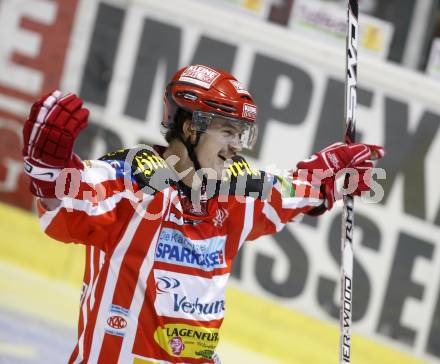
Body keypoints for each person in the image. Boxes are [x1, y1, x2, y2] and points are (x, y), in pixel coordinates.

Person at [22, 64, 384, 364]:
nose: (236, 146)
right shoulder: (132, 182)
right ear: (188, 126)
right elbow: (65, 199)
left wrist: (334, 175)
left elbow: (295, 190)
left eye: (242, 134)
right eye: (227, 131)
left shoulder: (235, 195)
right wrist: (48, 167)